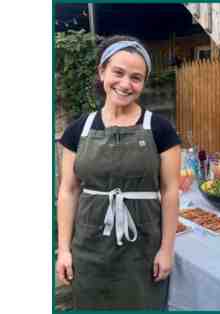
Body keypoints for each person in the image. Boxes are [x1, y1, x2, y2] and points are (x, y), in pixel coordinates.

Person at [56, 35, 181, 309]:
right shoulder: (79, 129)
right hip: (89, 245)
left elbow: (171, 191)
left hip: (143, 248)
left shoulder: (160, 129)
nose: (126, 84)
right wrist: (63, 249)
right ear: (102, 71)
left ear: (143, 83)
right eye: (118, 73)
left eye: (136, 77)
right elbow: (68, 190)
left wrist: (166, 249)